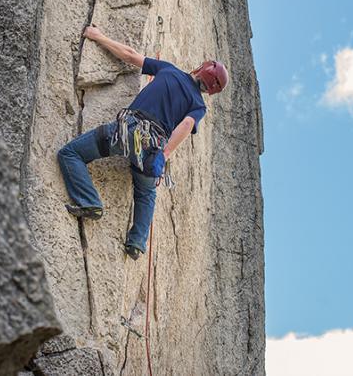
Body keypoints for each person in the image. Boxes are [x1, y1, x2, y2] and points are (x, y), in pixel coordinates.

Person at [57, 25, 229, 260]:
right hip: (151, 150)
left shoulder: (168, 69)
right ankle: (136, 242)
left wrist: (99, 37)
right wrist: (164, 155)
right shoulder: (198, 106)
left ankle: (90, 202)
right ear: (210, 91)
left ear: (200, 68)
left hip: (129, 132)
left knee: (70, 154)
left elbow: (129, 55)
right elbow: (187, 125)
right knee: (146, 193)